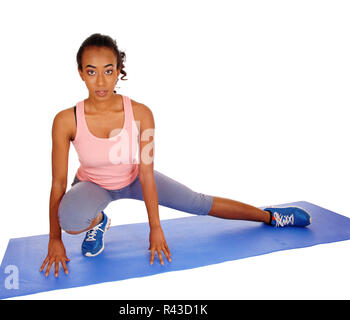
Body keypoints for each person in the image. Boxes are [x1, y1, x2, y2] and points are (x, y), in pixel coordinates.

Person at [39, 33, 311, 278]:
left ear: (118, 71)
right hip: (92, 185)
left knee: (197, 202)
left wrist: (155, 228)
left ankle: (270, 217)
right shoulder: (66, 120)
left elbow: (146, 174)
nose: (100, 81)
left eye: (108, 71)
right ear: (81, 74)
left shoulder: (141, 113)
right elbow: (57, 185)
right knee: (71, 222)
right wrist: (55, 239)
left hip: (133, 177)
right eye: (91, 71)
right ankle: (99, 221)